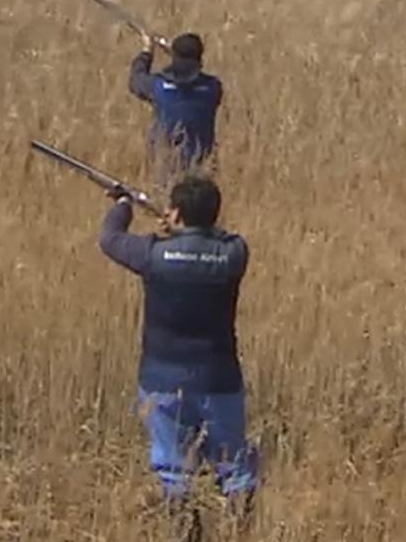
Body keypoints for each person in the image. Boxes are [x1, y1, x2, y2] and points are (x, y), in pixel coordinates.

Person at [100, 174, 257, 540]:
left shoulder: (153, 254)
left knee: (173, 470)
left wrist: (123, 205)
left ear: (176, 212)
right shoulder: (233, 254)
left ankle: (188, 535)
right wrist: (186, 229)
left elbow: (110, 239)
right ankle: (242, 532)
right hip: (220, 380)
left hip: (162, 381)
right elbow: (220, 240)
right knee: (235, 468)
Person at [128, 31, 223, 181]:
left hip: (164, 166)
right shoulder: (213, 88)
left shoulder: (159, 87)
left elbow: (136, 80)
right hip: (203, 166)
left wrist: (147, 51)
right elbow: (197, 82)